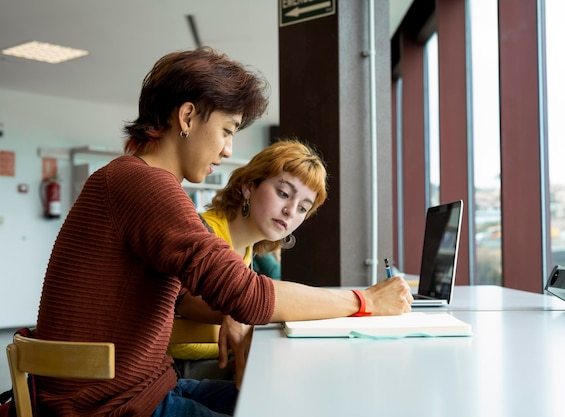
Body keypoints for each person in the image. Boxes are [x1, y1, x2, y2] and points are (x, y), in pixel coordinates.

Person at [35, 46, 412, 417]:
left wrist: (236, 306)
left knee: (292, 399)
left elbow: (190, 296)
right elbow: (248, 293)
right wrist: (366, 300)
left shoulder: (132, 179)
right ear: (187, 117)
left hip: (146, 387)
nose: (228, 150)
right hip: (111, 406)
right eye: (227, 130)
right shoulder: (144, 184)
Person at [169, 139, 327, 373]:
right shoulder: (202, 231)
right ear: (248, 186)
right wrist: (235, 308)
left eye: (303, 208)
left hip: (217, 363)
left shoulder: (247, 249)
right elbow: (183, 301)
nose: (291, 211)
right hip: (179, 369)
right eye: (284, 193)